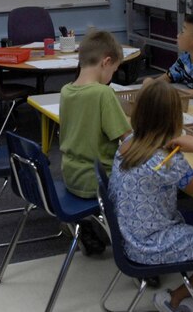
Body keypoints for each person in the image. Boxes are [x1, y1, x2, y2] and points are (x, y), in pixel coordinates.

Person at [109, 81, 193, 312]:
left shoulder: (128, 142)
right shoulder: (166, 162)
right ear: (175, 118)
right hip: (149, 243)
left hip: (129, 233)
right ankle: (175, 298)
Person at [59, 30, 131, 254]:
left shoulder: (66, 91)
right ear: (106, 62)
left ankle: (87, 223)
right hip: (98, 181)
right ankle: (138, 247)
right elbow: (127, 140)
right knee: (147, 177)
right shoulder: (103, 94)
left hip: (70, 174)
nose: (112, 77)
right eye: (114, 71)